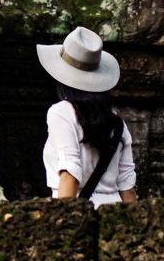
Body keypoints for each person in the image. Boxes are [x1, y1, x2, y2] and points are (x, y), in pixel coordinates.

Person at [38, 26, 138, 204]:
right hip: (114, 214)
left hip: (79, 210)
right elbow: (127, 185)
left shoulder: (61, 112)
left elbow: (70, 174)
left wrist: (64, 222)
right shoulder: (116, 121)